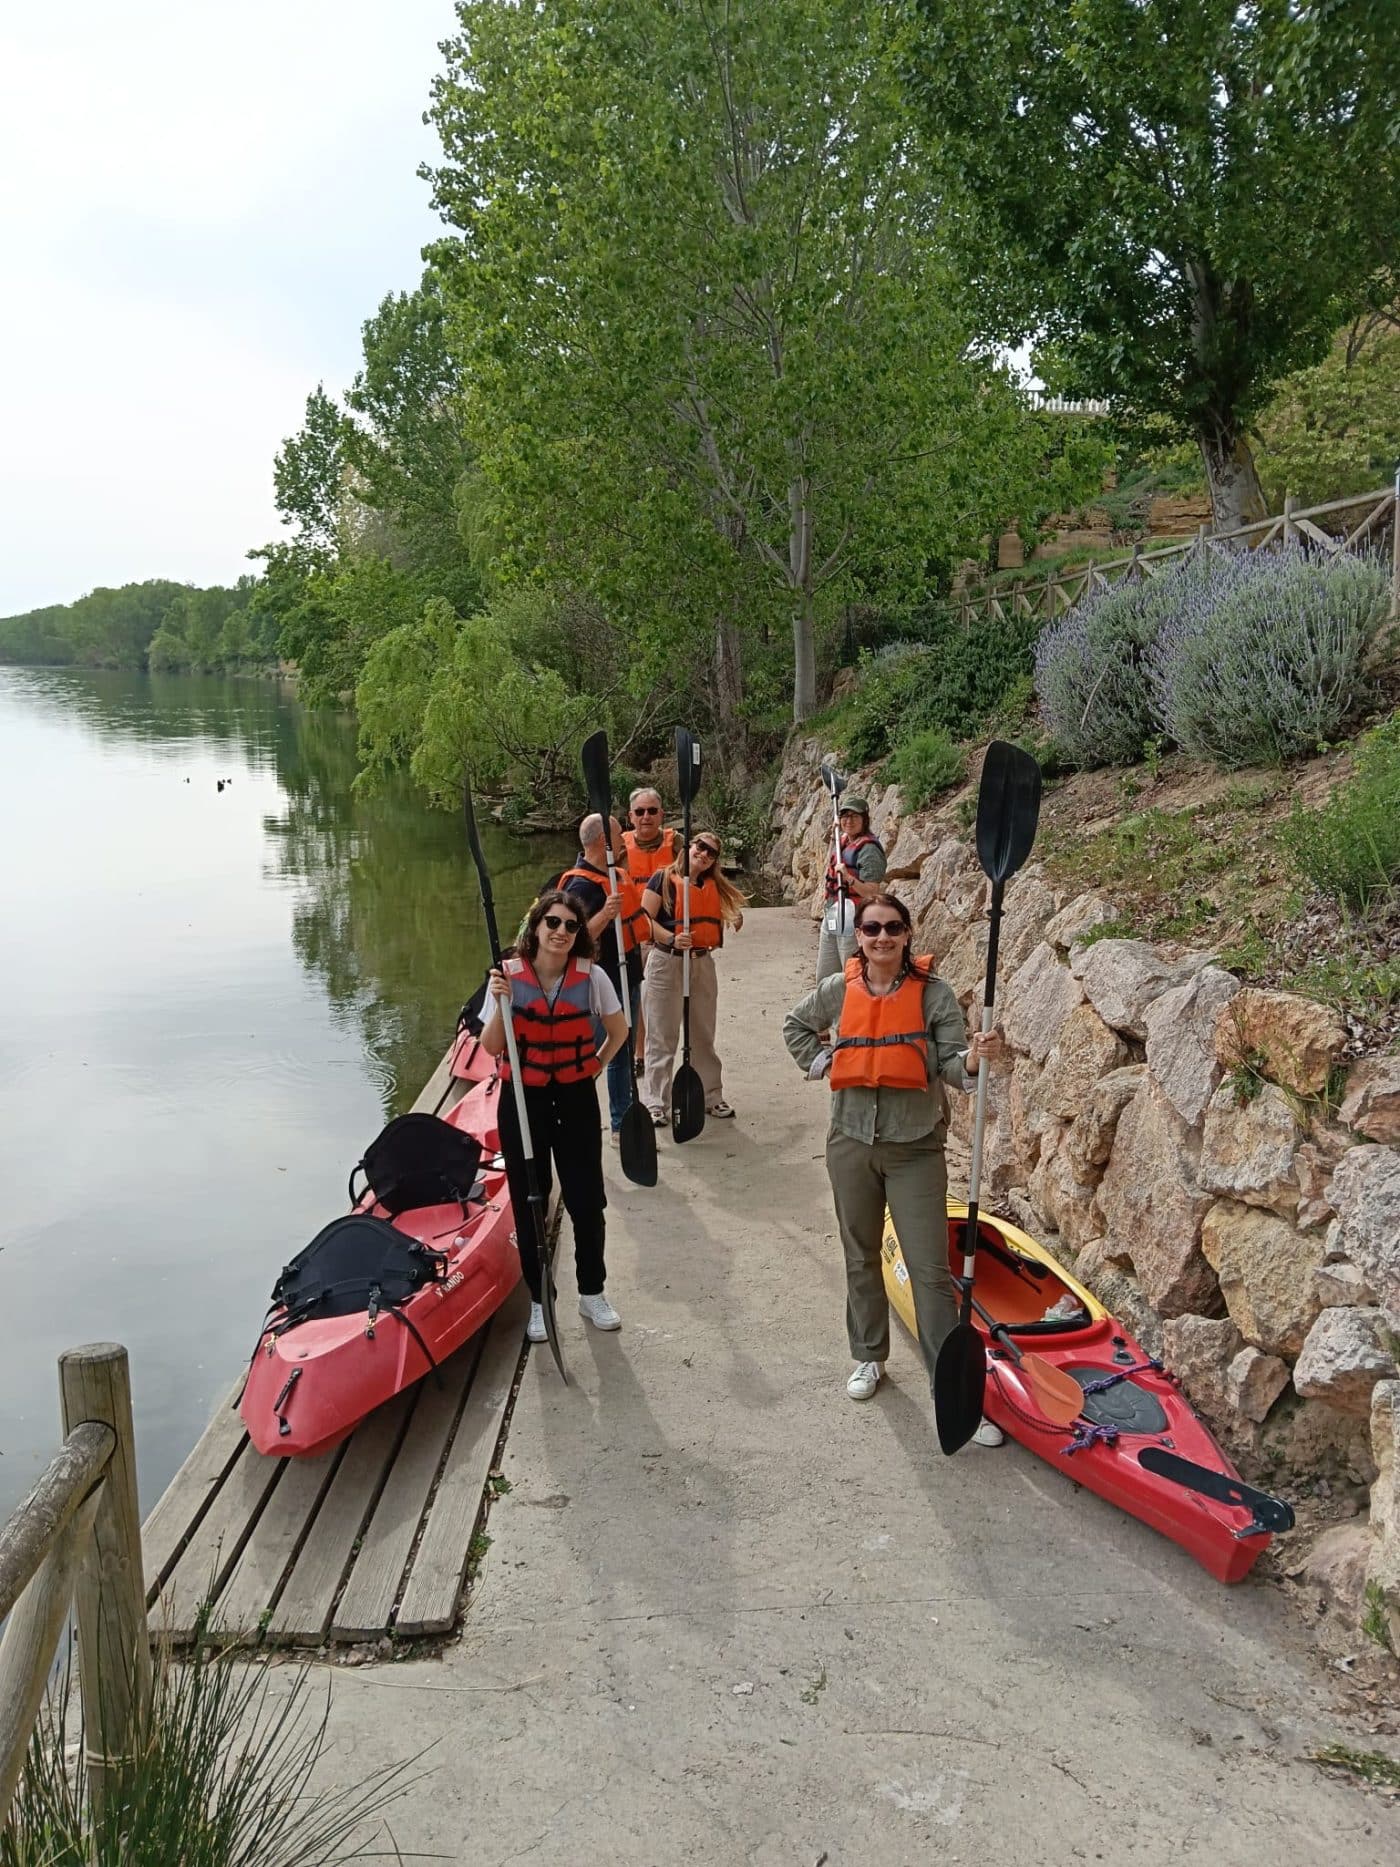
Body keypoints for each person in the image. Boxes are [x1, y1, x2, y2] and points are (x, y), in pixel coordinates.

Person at [783, 891, 1008, 1444]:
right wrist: (825, 1062)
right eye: (871, 929)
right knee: (859, 1256)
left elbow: (956, 1067)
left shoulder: (934, 995)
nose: (882, 938)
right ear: (858, 936)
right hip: (850, 1143)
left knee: (929, 1270)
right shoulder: (839, 990)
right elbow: (794, 1026)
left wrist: (978, 1058)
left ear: (908, 934)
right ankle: (868, 1356)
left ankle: (946, 1382)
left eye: (892, 928)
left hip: (914, 1148)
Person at [480, 890, 629, 1341]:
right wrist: (499, 1001)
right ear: (537, 928)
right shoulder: (505, 977)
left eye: (570, 925)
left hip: (575, 1097)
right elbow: (490, 1046)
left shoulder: (593, 977)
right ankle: (541, 1302)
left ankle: (592, 1292)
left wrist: (591, 1068)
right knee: (531, 1203)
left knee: (588, 1200)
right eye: (553, 923)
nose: (561, 932)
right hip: (522, 1100)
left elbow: (619, 1032)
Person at [640, 832, 746, 1123]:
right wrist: (671, 938)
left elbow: (717, 910)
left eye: (711, 851)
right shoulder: (662, 879)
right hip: (667, 961)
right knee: (662, 1035)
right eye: (700, 846)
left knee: (702, 1034)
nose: (704, 853)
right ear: (688, 846)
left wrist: (734, 916)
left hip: (701, 962)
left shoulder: (711, 885)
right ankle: (655, 1102)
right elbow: (643, 919)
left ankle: (711, 1095)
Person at [558, 814, 649, 1145]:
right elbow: (572, 938)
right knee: (597, 1053)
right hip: (601, 984)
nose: (626, 836)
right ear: (602, 843)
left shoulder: (614, 874)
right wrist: (605, 914)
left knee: (622, 1052)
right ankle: (582, 1117)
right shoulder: (579, 886)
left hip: (628, 975)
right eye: (618, 833)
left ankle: (620, 1122)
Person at [621, 787, 677, 1068]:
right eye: (640, 812)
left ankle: (660, 1054)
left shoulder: (676, 844)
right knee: (638, 996)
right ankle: (640, 1053)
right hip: (635, 935)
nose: (646, 817)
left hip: (670, 935)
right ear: (631, 817)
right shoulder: (618, 848)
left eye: (652, 811)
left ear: (661, 815)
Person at [817, 794, 887, 982]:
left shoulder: (869, 850)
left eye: (854, 816)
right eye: (845, 816)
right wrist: (834, 837)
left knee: (852, 976)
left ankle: (854, 1010)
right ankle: (829, 1010)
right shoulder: (843, 841)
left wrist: (848, 878)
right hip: (833, 914)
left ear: (865, 819)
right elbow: (830, 864)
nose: (849, 821)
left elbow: (872, 892)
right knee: (825, 977)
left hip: (853, 918)